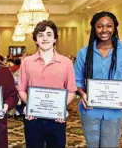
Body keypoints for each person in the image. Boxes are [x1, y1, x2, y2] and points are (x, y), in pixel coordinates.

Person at [74, 11, 122, 148]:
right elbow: (77, 80)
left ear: (115, 27)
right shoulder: (84, 53)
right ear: (94, 28)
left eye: (109, 26)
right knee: (92, 145)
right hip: (90, 109)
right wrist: (82, 93)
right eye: (100, 26)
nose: (104, 30)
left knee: (110, 145)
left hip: (115, 111)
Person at [17, 20, 77, 148]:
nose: (45, 38)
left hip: (57, 118)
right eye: (40, 35)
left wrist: (60, 107)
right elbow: (21, 89)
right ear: (36, 40)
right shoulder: (26, 62)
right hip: (32, 117)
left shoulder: (66, 62)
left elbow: (71, 90)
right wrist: (30, 104)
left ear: (55, 38)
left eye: (49, 34)